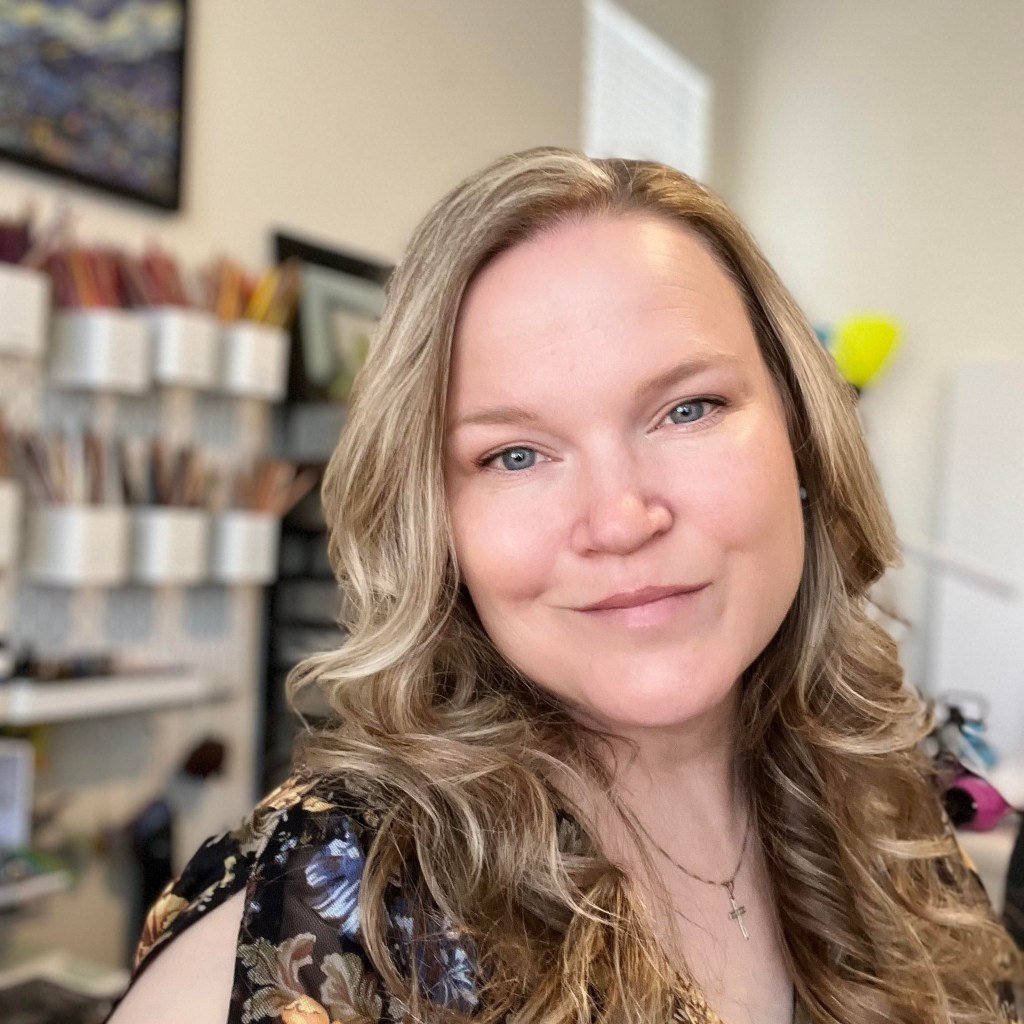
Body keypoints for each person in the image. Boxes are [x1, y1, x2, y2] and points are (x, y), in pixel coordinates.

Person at [107, 148, 1021, 1024]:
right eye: (514, 455)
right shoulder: (331, 906)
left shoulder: (886, 794)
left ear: (804, 437)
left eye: (688, 409)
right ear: (436, 523)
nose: (621, 519)